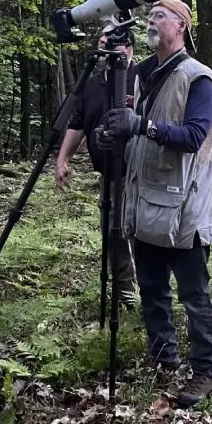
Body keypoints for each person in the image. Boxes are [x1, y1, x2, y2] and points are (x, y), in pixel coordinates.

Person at [101, 0, 212, 408]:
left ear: (182, 27)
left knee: (193, 292)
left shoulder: (198, 78)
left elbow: (192, 137)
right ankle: (163, 358)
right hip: (145, 200)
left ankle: (206, 368)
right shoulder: (143, 75)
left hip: (185, 205)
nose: (151, 22)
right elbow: (133, 128)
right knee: (151, 286)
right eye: (149, 16)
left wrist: (142, 125)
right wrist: (116, 134)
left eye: (160, 16)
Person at [55, 23, 138, 301]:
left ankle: (149, 295)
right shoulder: (92, 84)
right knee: (113, 237)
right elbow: (77, 125)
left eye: (111, 37)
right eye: (102, 37)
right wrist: (63, 159)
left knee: (142, 235)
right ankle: (125, 294)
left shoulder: (142, 78)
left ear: (128, 46)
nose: (103, 41)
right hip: (109, 177)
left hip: (140, 175)